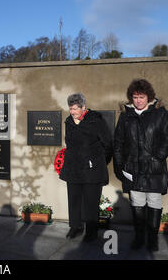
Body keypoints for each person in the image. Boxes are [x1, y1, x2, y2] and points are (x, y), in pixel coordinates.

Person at [113, 79, 168, 251]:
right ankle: (139, 238)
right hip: (133, 169)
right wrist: (119, 166)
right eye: (135, 97)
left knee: (154, 201)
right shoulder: (126, 117)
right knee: (137, 203)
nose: (138, 100)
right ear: (131, 98)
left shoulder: (160, 114)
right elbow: (118, 143)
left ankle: (152, 239)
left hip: (155, 169)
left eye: (141, 97)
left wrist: (158, 157)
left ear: (149, 97)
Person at [59, 93, 113, 242]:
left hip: (91, 170)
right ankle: (75, 227)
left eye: (76, 109)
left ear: (83, 107)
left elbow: (108, 144)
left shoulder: (96, 121)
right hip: (73, 169)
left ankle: (91, 232)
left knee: (91, 202)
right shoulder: (69, 122)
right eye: (71, 109)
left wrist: (98, 162)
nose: (73, 112)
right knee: (74, 200)